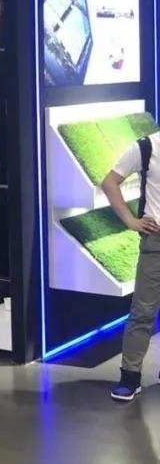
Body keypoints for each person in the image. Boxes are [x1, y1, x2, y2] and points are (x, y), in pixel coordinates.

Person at [104, 131, 160, 401]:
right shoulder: (148, 146)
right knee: (143, 312)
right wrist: (131, 221)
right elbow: (110, 182)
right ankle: (130, 377)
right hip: (156, 242)